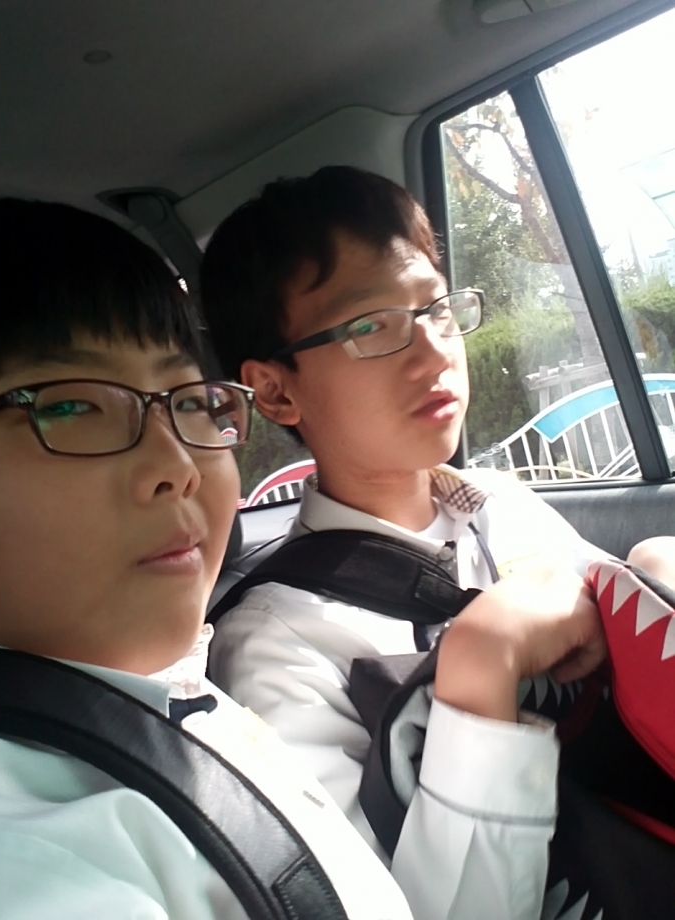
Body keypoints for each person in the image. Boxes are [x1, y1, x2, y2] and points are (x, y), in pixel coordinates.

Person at [0, 197, 422, 920]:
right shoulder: (28, 853)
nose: (178, 465)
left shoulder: (165, 695)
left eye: (189, 402)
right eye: (71, 406)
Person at [199, 166, 614, 920]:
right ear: (277, 390)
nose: (433, 354)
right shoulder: (277, 648)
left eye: (437, 309)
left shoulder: (504, 508)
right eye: (370, 327)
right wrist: (482, 666)